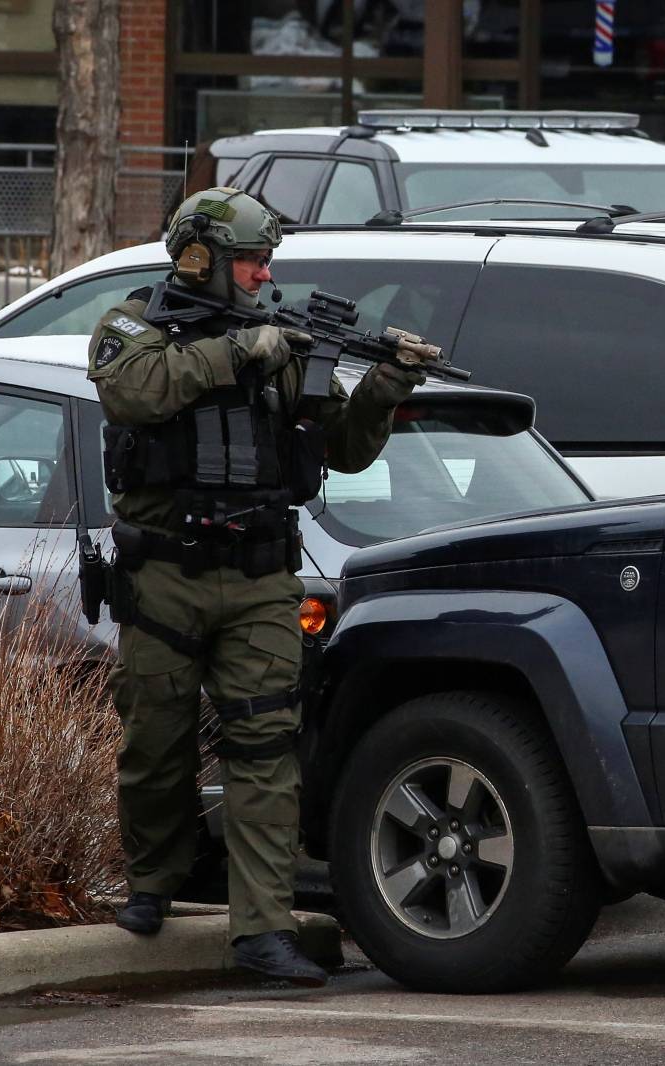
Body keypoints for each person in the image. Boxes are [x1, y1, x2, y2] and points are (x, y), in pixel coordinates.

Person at [88, 187, 433, 984]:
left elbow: (341, 450)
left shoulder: (281, 341)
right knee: (155, 746)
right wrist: (237, 353)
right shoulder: (135, 324)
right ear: (199, 257)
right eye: (249, 259)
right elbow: (133, 389)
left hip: (259, 578)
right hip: (164, 576)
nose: (262, 272)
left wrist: (386, 385)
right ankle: (155, 881)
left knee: (266, 748)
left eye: (266, 259)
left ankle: (263, 930)